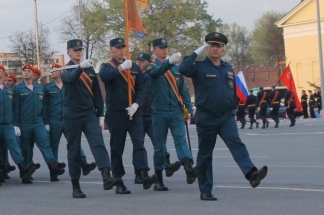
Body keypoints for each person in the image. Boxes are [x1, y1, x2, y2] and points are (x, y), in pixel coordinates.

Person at [178, 32, 268, 201]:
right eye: (211, 45)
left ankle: (251, 174)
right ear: (207, 48)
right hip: (206, 116)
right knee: (205, 154)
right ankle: (205, 190)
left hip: (226, 117)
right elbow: (182, 69)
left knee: (236, 143)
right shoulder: (198, 66)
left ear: (223, 49)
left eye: (218, 46)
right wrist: (196, 52)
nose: (215, 49)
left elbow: (231, 92)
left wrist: (232, 110)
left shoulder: (228, 69)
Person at [60, 39, 119, 198]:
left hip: (88, 113)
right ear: (69, 52)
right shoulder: (65, 69)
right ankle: (75, 185)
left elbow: (97, 93)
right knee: (74, 149)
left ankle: (106, 175)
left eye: (80, 49)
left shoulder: (90, 69)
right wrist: (80, 67)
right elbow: (70, 79)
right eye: (75, 50)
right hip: (72, 114)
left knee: (98, 143)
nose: (78, 52)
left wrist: (101, 113)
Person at [99, 38, 149, 194]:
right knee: (117, 148)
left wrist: (137, 104)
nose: (121, 50)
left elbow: (142, 87)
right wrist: (120, 68)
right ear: (111, 50)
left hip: (133, 111)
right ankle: (119, 180)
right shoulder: (107, 66)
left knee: (139, 143)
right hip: (116, 113)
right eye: (118, 47)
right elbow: (104, 76)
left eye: (123, 47)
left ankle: (143, 173)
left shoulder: (133, 66)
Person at [145, 37, 195, 190]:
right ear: (154, 50)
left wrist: (188, 108)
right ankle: (159, 178)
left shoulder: (176, 68)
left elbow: (183, 90)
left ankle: (188, 167)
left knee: (181, 139)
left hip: (175, 111)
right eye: (160, 47)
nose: (164, 50)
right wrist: (169, 62)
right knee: (159, 147)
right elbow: (155, 73)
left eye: (165, 47)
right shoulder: (150, 66)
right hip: (158, 112)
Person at [0, 64, 37, 186]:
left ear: (4, 73)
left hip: (8, 124)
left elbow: (14, 109)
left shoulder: (9, 91)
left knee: (14, 147)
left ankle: (24, 169)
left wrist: (15, 124)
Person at [14, 65, 65, 183]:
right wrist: (16, 125)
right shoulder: (17, 89)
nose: (26, 73)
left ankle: (53, 166)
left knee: (45, 144)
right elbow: (15, 108)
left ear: (34, 75)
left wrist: (46, 122)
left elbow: (45, 106)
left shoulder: (40, 88)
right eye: (24, 71)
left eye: (29, 71)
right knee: (26, 149)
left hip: (38, 122)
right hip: (24, 123)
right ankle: (25, 173)